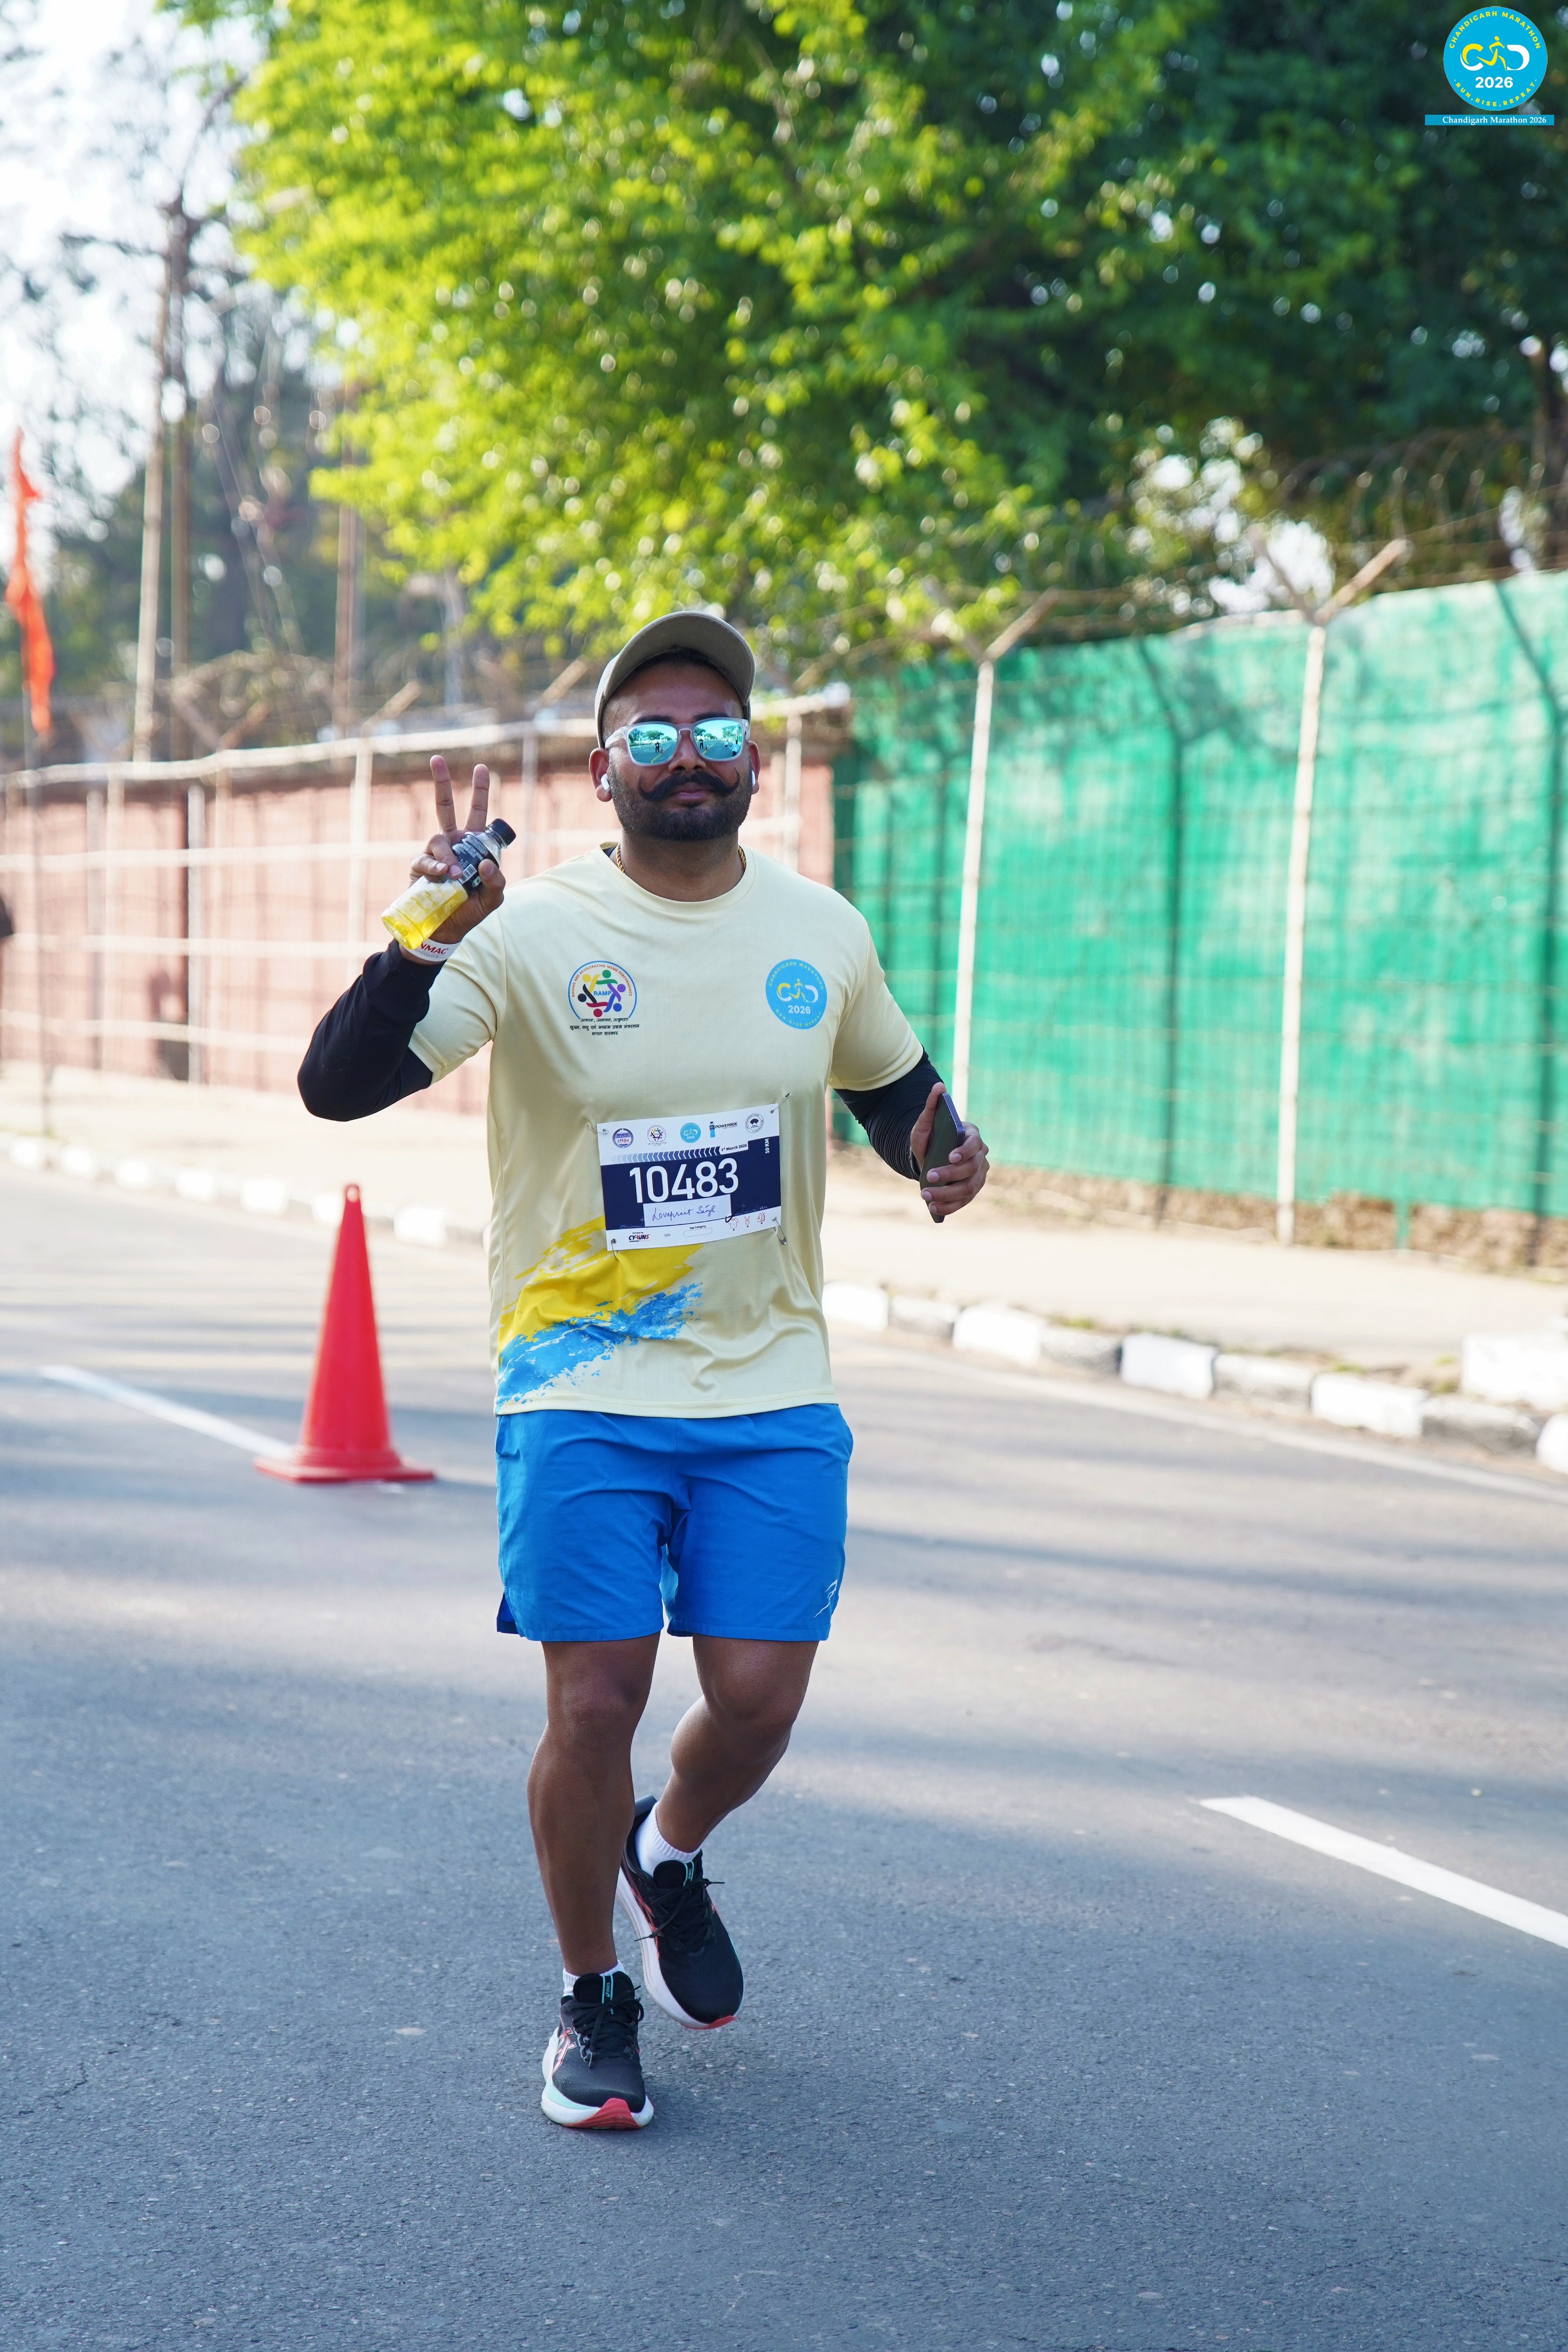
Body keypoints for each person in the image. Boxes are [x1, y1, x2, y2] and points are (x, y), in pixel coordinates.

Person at [298, 611, 989, 2131]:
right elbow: (336, 1088)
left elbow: (894, 1090)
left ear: (756, 764)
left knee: (757, 1699)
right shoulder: (529, 929)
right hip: (581, 1381)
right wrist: (426, 934)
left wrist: (943, 1152)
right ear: (605, 770)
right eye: (656, 738)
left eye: (719, 735)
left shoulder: (821, 931)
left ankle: (664, 1851)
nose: (692, 760)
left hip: (771, 1384)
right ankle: (590, 1994)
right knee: (598, 1698)